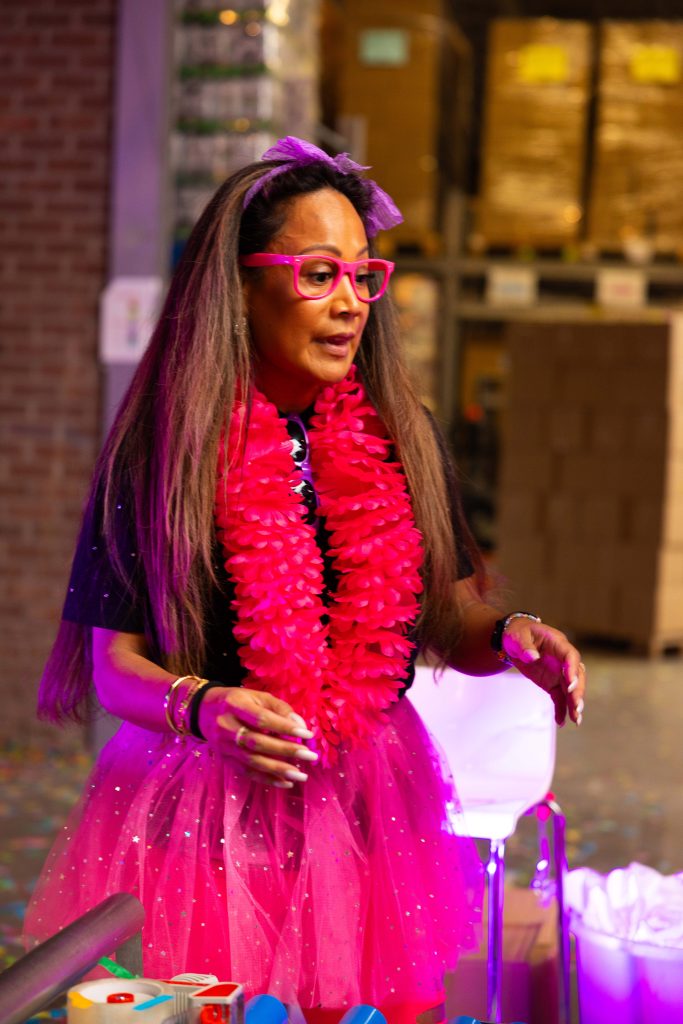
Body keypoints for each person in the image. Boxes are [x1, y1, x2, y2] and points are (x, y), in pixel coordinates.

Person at [25, 137, 586, 1024]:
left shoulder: (402, 436)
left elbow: (445, 614)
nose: (350, 303)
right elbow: (113, 668)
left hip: (369, 803)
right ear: (240, 288)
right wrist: (204, 707)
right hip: (203, 809)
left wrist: (513, 637)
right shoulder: (162, 453)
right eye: (318, 274)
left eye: (363, 277)